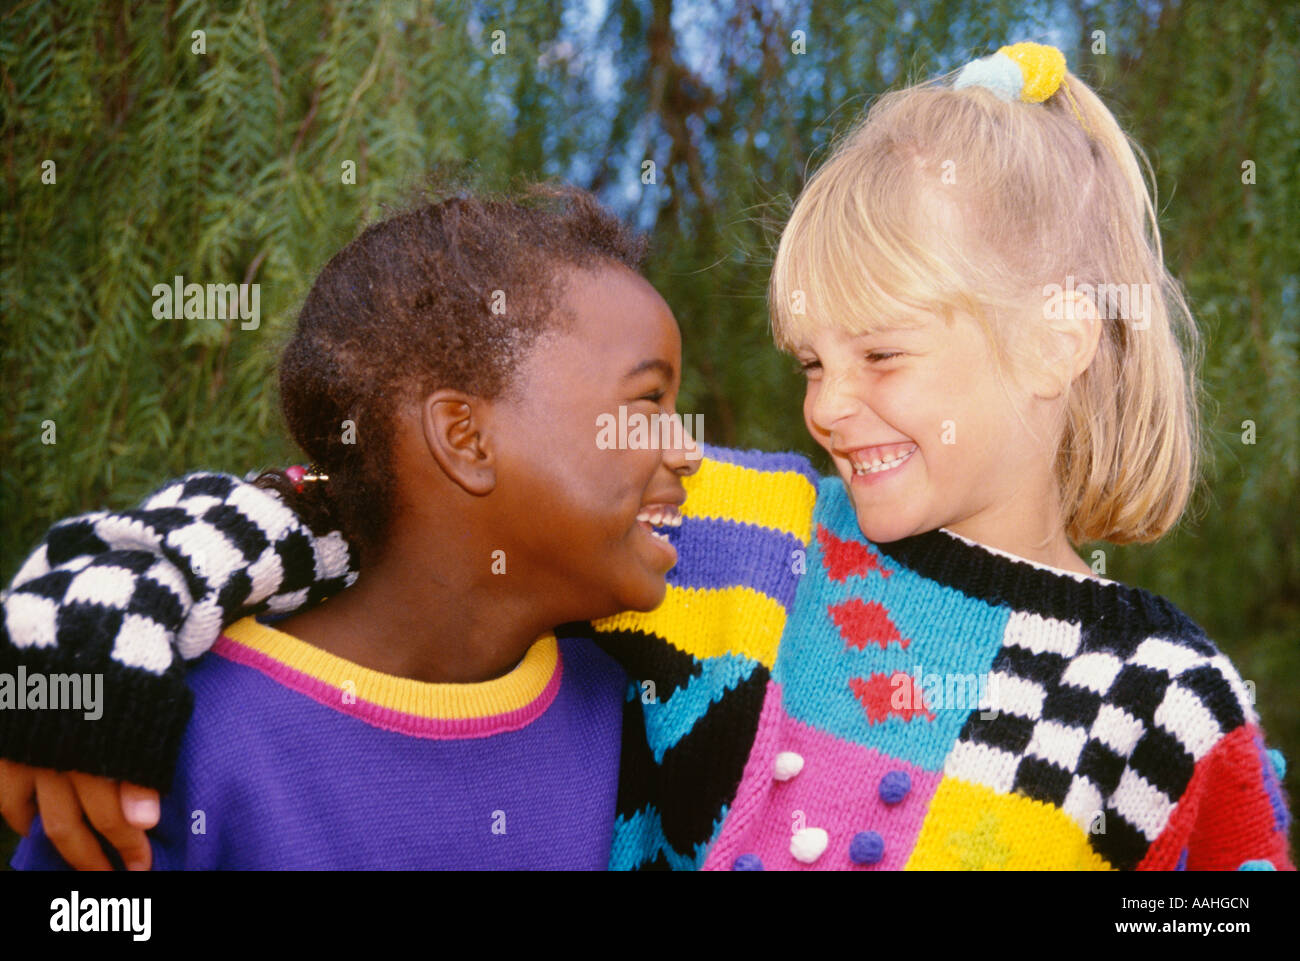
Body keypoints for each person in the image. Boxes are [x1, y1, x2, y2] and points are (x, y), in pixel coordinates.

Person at [3, 44, 1292, 870]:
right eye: (808, 362)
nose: (829, 408)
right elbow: (353, 509)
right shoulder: (740, 538)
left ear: (1060, 344)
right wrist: (76, 666)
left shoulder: (1169, 700)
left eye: (881, 358)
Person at [5, 184, 703, 868]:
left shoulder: (645, 708)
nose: (690, 450)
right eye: (647, 400)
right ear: (466, 438)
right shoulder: (178, 735)